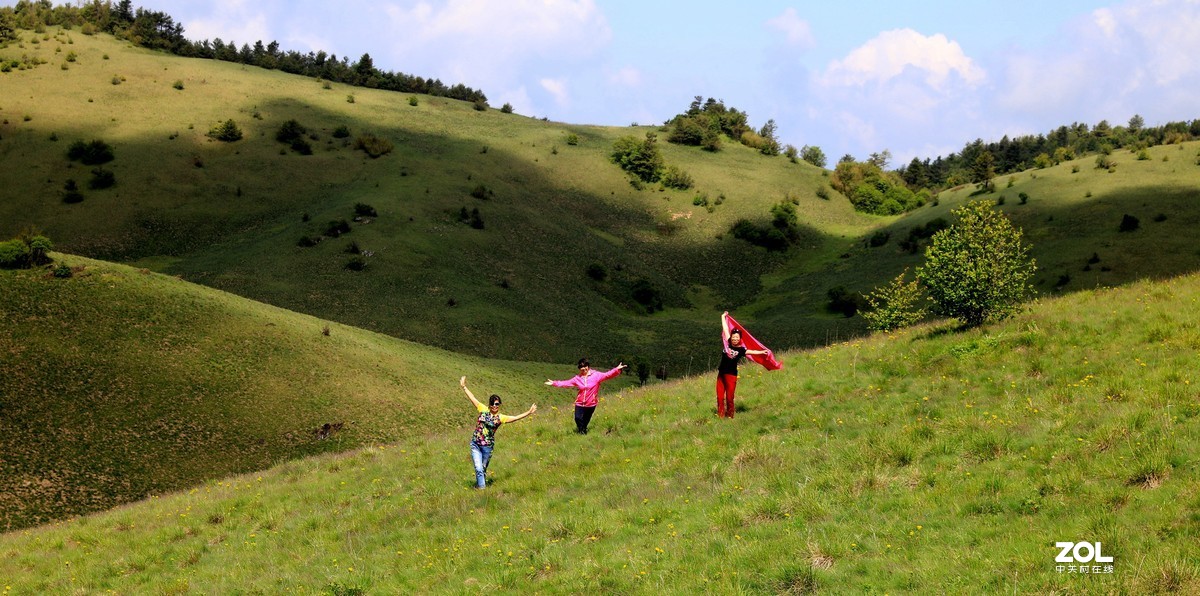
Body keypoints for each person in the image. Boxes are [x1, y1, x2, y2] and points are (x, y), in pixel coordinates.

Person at [460, 375, 536, 489]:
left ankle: (478, 485)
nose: (494, 406)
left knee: (482, 469)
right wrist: (464, 387)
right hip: (475, 444)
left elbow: (515, 418)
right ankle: (482, 490)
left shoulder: (501, 417)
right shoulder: (483, 409)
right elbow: (473, 398)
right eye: (492, 403)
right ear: (489, 404)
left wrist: (528, 412)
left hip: (487, 447)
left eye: (496, 403)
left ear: (499, 405)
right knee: (478, 468)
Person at [544, 358, 626, 434]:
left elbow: (607, 375)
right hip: (580, 403)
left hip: (591, 404)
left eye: (585, 366)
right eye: (581, 367)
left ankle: (582, 433)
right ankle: (581, 431)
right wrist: (554, 383)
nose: (583, 368)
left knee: (586, 421)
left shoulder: (596, 375)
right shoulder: (577, 378)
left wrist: (617, 369)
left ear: (588, 366)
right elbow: (566, 383)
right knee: (578, 418)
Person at [716, 311, 769, 419]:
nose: (735, 339)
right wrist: (723, 316)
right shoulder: (727, 343)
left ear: (740, 339)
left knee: (729, 398)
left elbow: (752, 351)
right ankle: (720, 416)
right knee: (720, 397)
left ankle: (730, 416)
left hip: (731, 375)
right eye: (733, 337)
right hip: (721, 374)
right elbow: (725, 329)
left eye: (737, 337)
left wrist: (762, 352)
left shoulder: (741, 350)